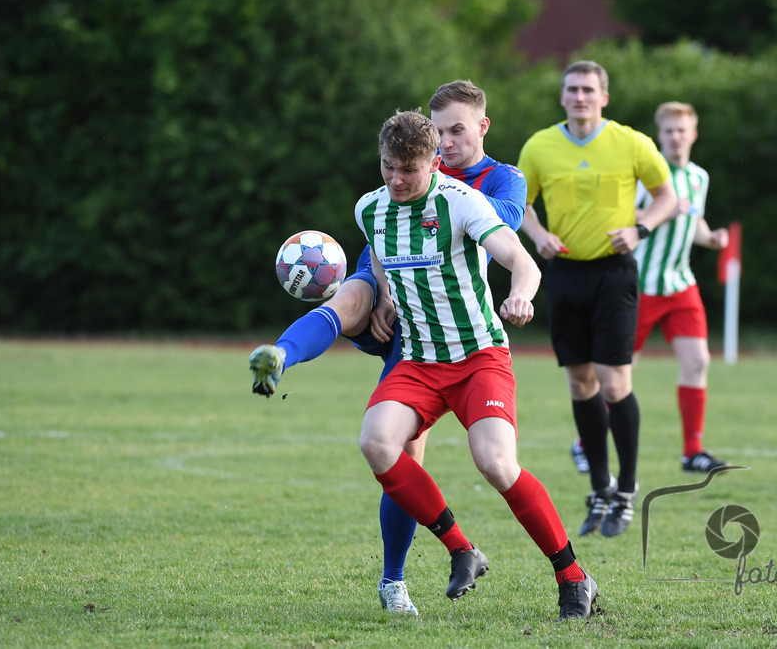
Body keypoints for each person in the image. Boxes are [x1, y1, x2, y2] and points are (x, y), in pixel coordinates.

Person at [250, 81, 527, 615]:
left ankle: (418, 568)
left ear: (482, 127)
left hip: (457, 329)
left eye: (455, 131)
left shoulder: (497, 181)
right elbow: (384, 233)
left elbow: (503, 232)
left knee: (409, 453)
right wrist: (382, 285)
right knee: (354, 293)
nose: (444, 143)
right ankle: (282, 353)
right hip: (404, 313)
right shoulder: (408, 173)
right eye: (437, 131)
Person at [355, 108, 598, 621]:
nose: (397, 180)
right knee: (376, 442)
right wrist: (381, 295)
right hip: (420, 361)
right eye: (387, 167)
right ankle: (463, 550)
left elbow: (521, 260)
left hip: (478, 358)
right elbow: (380, 255)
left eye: (408, 169)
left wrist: (523, 296)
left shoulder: (464, 202)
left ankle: (573, 577)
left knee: (495, 462)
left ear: (434, 163)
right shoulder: (370, 209)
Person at [516, 61, 677, 538]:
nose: (580, 96)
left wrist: (640, 227)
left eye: (589, 89)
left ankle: (626, 490)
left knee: (613, 382)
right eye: (572, 89)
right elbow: (519, 200)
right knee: (580, 384)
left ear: (604, 96)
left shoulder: (631, 142)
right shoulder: (540, 145)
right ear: (562, 97)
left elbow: (666, 194)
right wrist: (538, 233)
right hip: (564, 273)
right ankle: (600, 488)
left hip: (614, 274)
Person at [632, 102, 730, 473]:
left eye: (682, 130)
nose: (675, 137)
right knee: (619, 374)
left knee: (698, 361)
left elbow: (695, 221)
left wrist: (711, 238)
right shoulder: (647, 176)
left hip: (680, 284)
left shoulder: (699, 177)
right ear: (660, 135)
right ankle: (584, 442)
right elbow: (622, 216)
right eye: (669, 131)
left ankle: (693, 451)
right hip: (641, 285)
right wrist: (662, 211)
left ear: (694, 134)